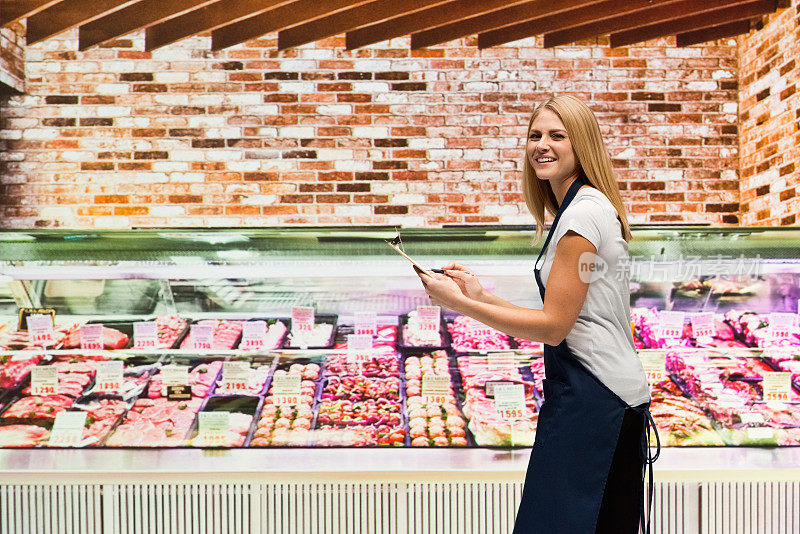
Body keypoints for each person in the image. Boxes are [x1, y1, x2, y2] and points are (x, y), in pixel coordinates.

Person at [416, 95, 659, 534]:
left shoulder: (583, 214)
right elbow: (561, 317)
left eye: (556, 135)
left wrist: (460, 305)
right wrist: (480, 295)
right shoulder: (582, 208)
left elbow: (553, 327)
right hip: (597, 393)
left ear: (581, 144)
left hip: (597, 398)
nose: (541, 145)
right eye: (535, 135)